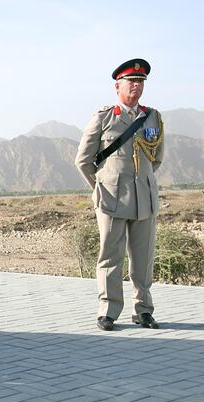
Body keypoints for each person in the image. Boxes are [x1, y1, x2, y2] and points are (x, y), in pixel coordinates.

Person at [75, 59, 164, 331]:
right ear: (118, 86)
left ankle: (144, 311)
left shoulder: (153, 117)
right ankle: (108, 311)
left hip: (144, 200)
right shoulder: (104, 117)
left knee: (143, 260)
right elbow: (83, 161)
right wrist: (102, 185)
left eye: (141, 82)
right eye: (131, 81)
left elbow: (156, 159)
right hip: (111, 199)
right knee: (110, 258)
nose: (136, 86)